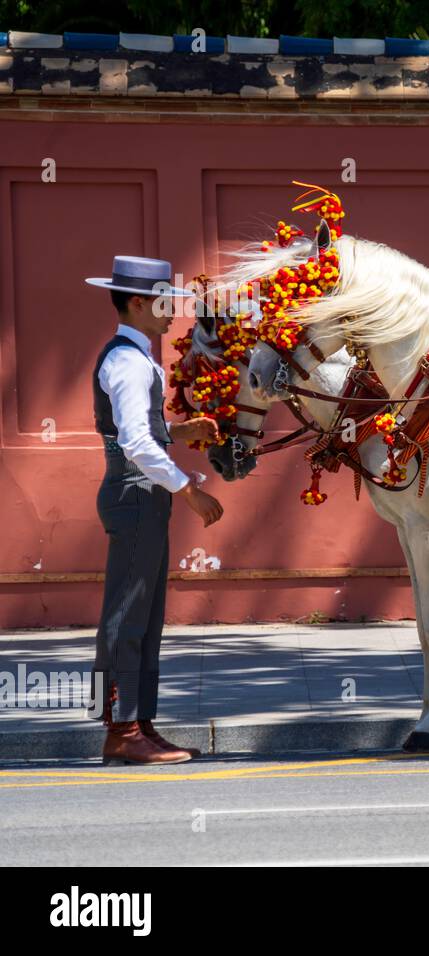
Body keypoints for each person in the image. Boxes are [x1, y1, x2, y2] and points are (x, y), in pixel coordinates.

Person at [85, 256, 225, 766]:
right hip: (134, 495)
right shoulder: (126, 361)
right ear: (140, 303)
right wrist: (189, 489)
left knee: (143, 615)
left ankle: (138, 723)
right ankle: (121, 730)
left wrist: (182, 433)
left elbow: (144, 433)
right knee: (128, 614)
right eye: (165, 303)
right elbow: (135, 441)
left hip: (140, 497)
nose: (172, 314)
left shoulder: (136, 358)